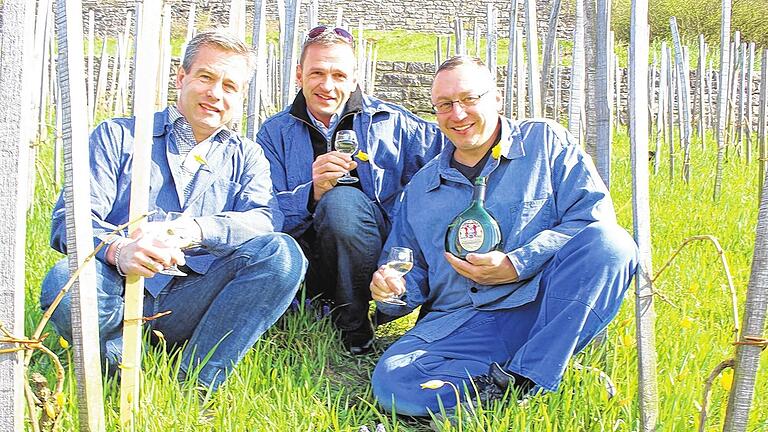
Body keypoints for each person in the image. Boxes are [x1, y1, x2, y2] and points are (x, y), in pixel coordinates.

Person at [369, 56, 638, 416]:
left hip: (542, 307)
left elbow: (592, 219)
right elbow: (408, 273)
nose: (458, 114)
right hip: (461, 323)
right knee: (393, 382)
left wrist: (517, 264)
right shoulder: (421, 188)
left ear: (496, 98)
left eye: (469, 99)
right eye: (445, 105)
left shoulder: (546, 144)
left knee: (611, 244)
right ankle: (525, 377)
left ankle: (522, 379)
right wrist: (391, 289)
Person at [39, 30, 307, 391]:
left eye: (230, 86)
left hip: (191, 296)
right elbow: (68, 222)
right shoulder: (117, 136)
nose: (216, 93)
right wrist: (120, 251)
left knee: (283, 255)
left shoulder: (247, 157)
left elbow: (263, 218)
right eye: (206, 77)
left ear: (240, 96)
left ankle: (194, 383)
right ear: (182, 78)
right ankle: (117, 360)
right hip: (115, 287)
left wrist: (195, 230)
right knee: (63, 282)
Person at [257, 26, 444, 354]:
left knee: (342, 202)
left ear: (355, 78)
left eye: (338, 75)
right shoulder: (273, 133)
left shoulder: (393, 123)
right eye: (316, 73)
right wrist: (311, 193)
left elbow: (457, 148)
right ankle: (308, 307)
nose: (327, 85)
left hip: (372, 258)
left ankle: (355, 328)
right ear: (299, 75)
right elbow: (262, 213)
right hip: (304, 257)